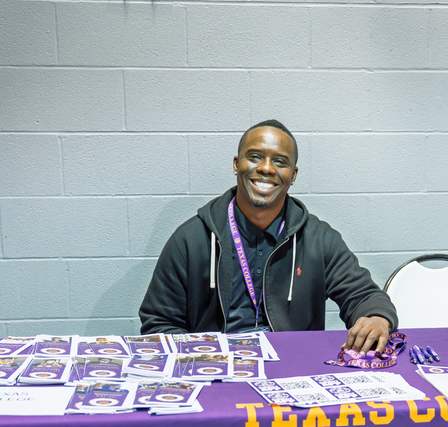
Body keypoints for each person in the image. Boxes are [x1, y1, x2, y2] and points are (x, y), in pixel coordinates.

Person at [139, 120, 397, 353]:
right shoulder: (191, 239)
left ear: (292, 175)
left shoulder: (319, 239)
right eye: (254, 157)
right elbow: (159, 323)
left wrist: (375, 318)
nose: (266, 168)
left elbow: (365, 296)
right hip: (217, 369)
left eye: (280, 162)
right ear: (236, 164)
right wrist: (204, 362)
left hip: (292, 366)